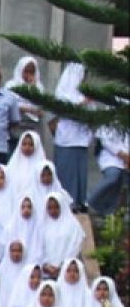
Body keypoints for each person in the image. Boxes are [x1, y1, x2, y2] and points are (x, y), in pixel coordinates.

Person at [52, 63, 93, 209]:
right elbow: (66, 108)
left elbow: (92, 112)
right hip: (67, 139)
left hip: (81, 139)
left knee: (79, 174)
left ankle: (79, 202)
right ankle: (67, 203)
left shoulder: (84, 95)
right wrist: (83, 103)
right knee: (67, 173)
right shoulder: (62, 93)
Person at [88, 125, 130, 216]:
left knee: (120, 185)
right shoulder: (108, 117)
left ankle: (109, 212)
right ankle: (91, 201)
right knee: (113, 176)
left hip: (127, 159)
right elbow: (105, 141)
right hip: (110, 156)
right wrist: (122, 154)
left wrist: (128, 158)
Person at [5, 56, 45, 143]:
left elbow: (41, 110)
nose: (28, 75)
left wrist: (33, 88)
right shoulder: (11, 85)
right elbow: (11, 104)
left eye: (32, 72)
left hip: (33, 127)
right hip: (15, 127)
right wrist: (29, 109)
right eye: (26, 71)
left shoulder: (39, 87)